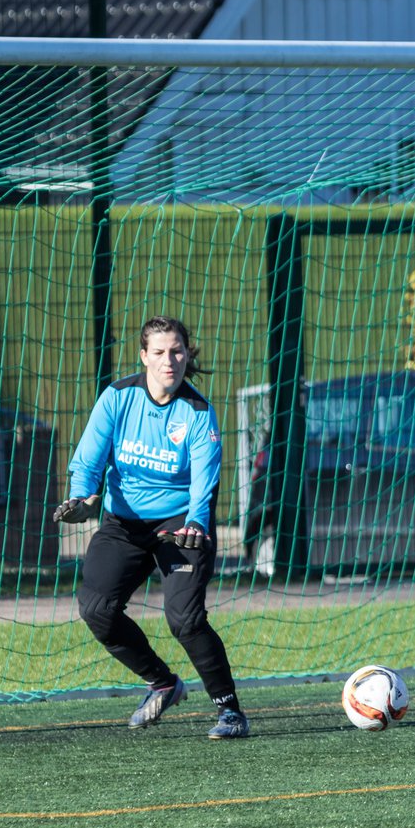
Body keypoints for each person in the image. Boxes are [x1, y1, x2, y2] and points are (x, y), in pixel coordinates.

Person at [55, 316, 249, 739]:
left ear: (186, 356)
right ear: (143, 356)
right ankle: (162, 683)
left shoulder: (198, 413)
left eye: (177, 351)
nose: (169, 361)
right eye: (159, 352)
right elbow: (88, 460)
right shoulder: (117, 397)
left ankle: (230, 711)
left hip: (180, 524)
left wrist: (197, 521)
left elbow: (205, 481)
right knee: (96, 610)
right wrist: (84, 498)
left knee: (184, 619)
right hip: (123, 524)